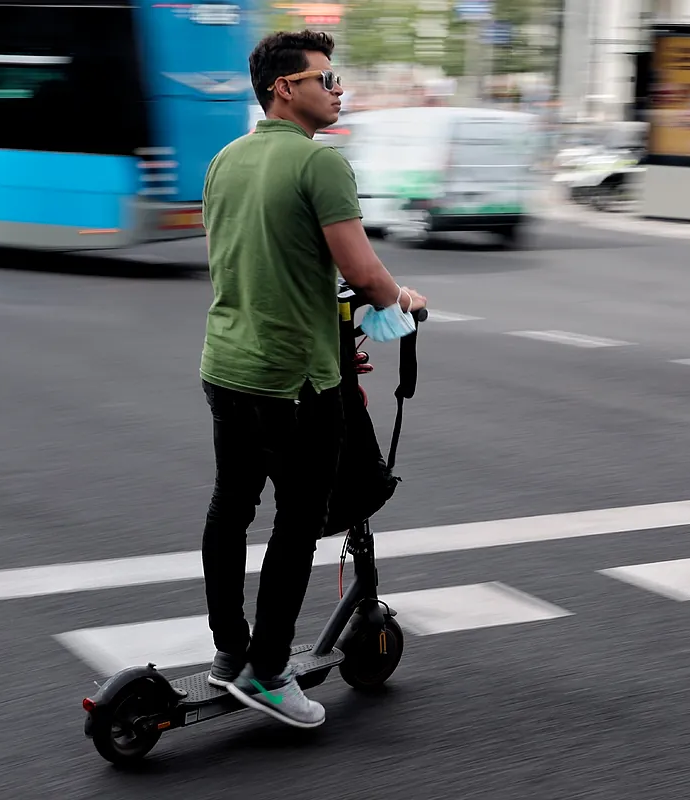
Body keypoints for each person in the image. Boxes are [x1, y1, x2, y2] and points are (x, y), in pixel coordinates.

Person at [197, 29, 427, 729]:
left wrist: (334, 332)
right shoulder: (319, 164)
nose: (337, 90)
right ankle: (270, 672)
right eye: (326, 79)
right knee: (297, 521)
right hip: (293, 382)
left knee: (230, 507)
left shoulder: (225, 161)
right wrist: (400, 301)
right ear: (284, 89)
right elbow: (359, 270)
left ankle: (230, 654)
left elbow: (266, 270)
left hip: (225, 365)